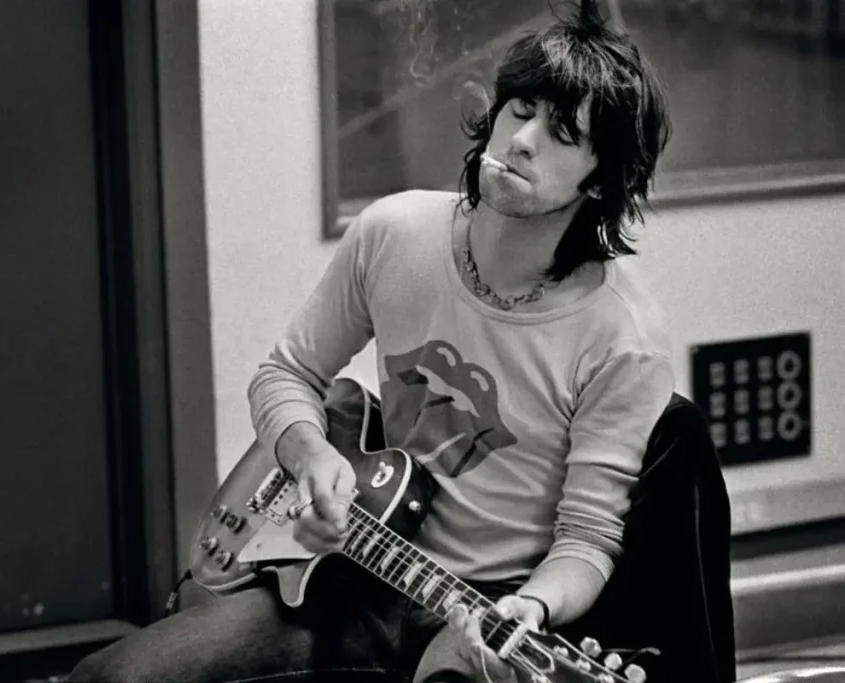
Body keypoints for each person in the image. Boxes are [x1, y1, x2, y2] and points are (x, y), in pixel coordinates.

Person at [67, 1, 675, 681]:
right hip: (344, 573)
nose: (524, 140)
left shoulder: (623, 339)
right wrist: (310, 457)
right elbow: (287, 373)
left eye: (562, 134)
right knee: (107, 676)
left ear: (601, 179)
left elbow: (588, 540)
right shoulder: (394, 234)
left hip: (474, 609)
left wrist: (530, 607)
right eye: (520, 109)